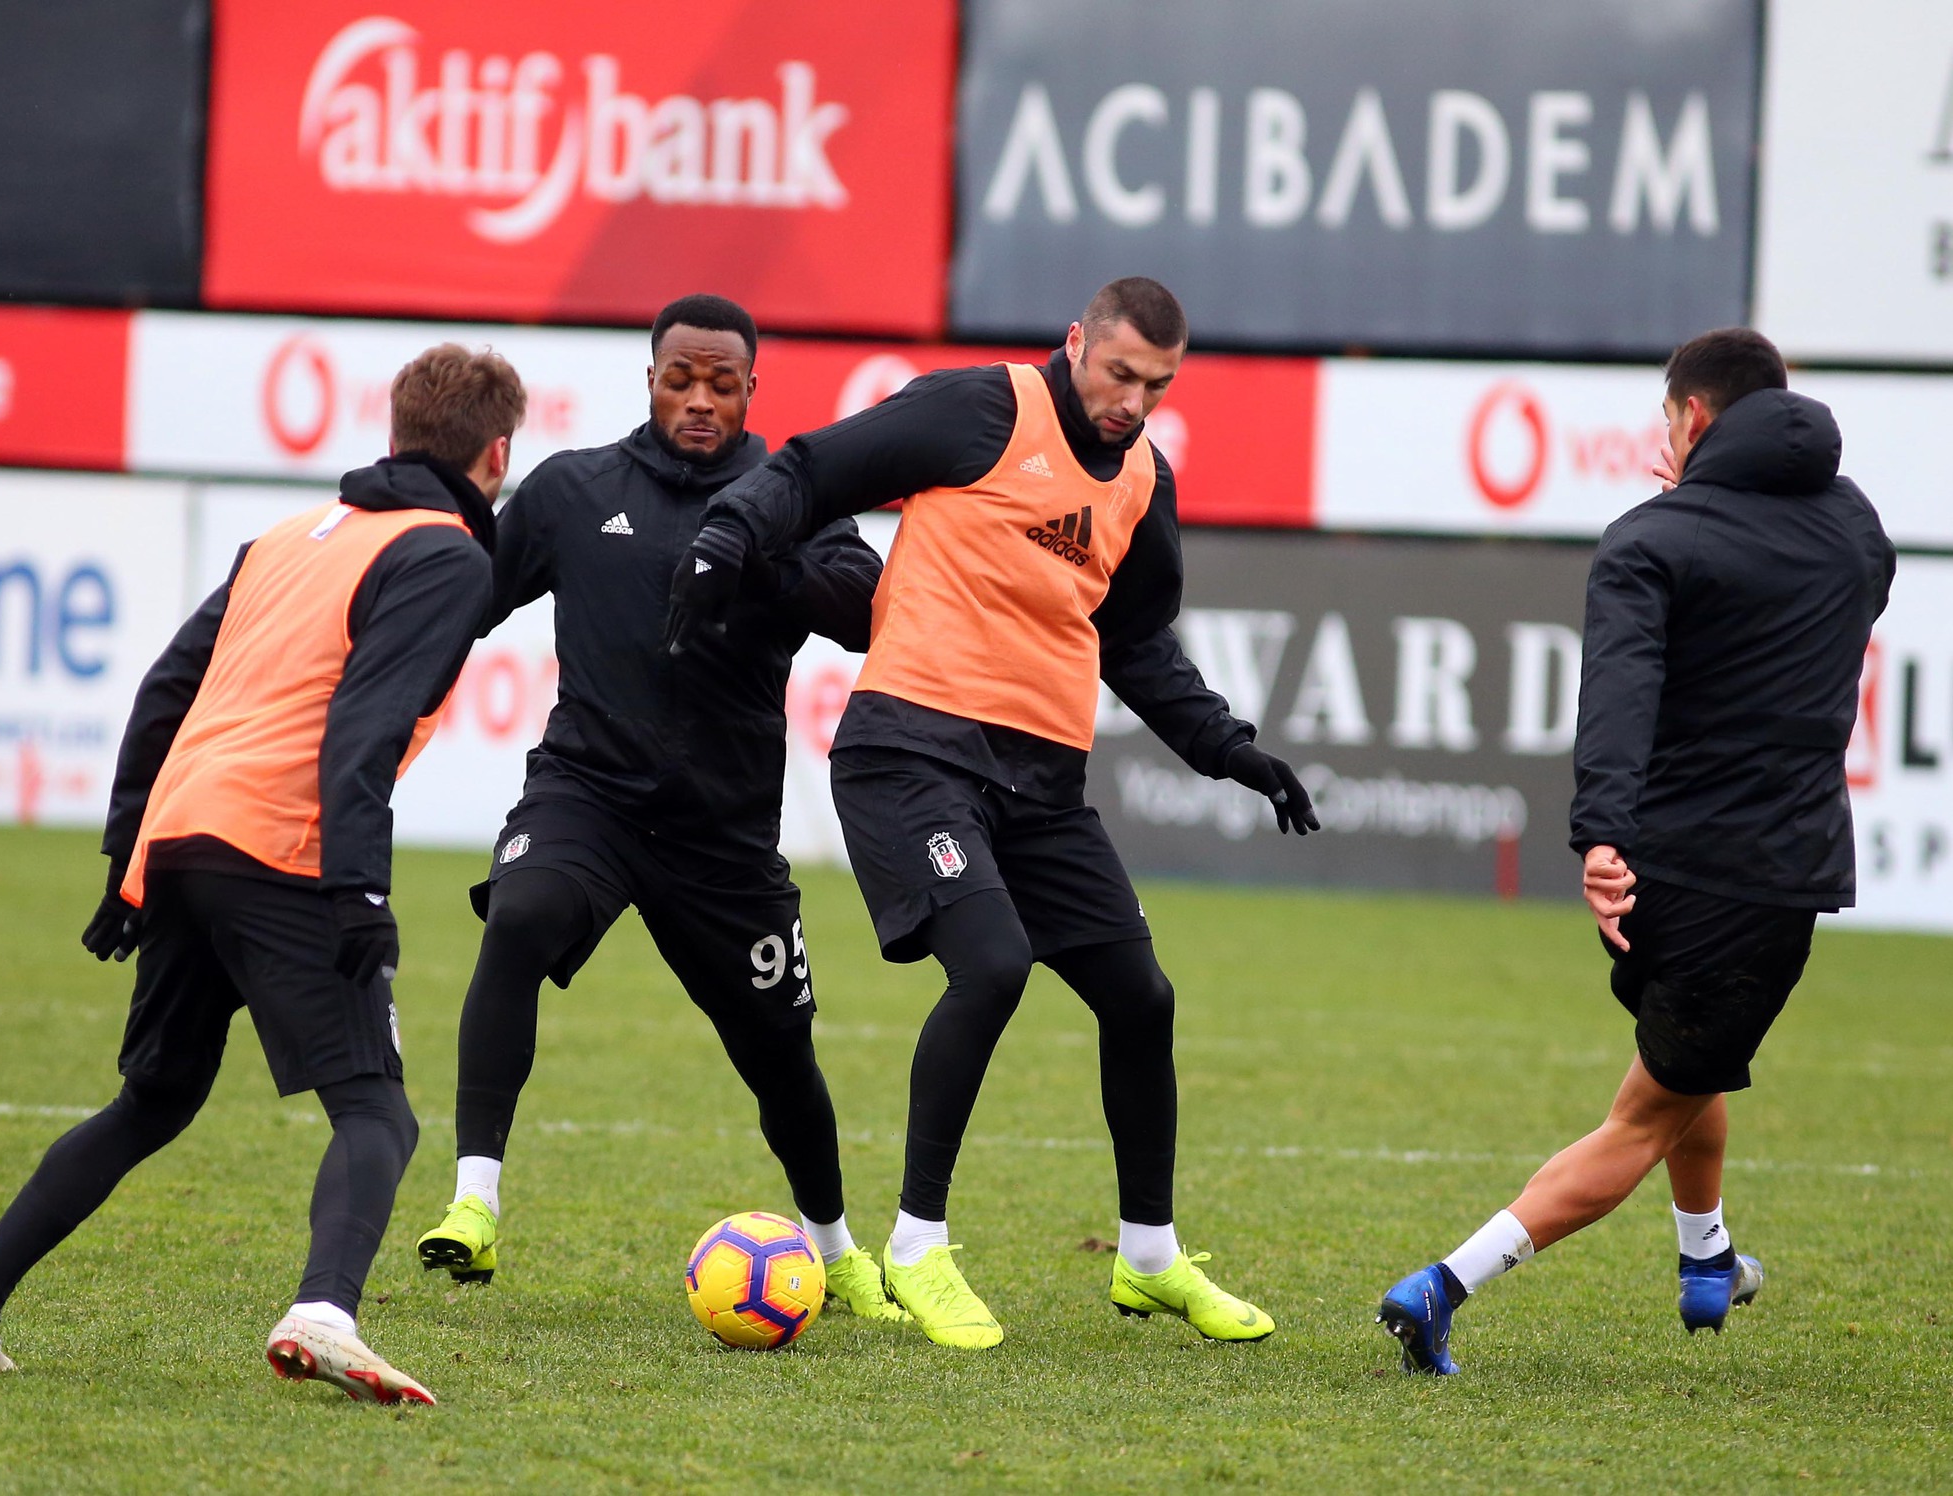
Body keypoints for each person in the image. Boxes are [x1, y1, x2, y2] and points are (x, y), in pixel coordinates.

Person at [666, 276, 1319, 1350]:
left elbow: (1134, 641)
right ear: (1076, 344)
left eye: (1156, 385)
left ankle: (1149, 1257)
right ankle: (917, 1244)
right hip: (910, 751)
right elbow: (815, 469)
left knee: (1140, 996)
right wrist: (727, 535)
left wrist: (1228, 748)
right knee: (994, 963)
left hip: (1040, 784)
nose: (1132, 401)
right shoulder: (979, 409)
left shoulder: (1142, 478)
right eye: (1119, 373)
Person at [0, 345, 526, 1404]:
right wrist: (359, 892)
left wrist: (128, 858)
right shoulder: (445, 554)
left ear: (395, 434)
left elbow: (164, 691)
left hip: (186, 837)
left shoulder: (283, 538)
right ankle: (325, 1313)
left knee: (152, 1099)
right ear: (497, 454)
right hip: (279, 850)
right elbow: (364, 727)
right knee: (377, 1112)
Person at [1377, 328, 1897, 1375]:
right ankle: (1438, 1288)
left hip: (1654, 872)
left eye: (1667, 419)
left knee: (1689, 1065)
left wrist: (1603, 836)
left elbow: (1618, 696)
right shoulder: (1855, 529)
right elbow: (1833, 595)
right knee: (1643, 1115)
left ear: (1692, 418)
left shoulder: (1650, 538)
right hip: (1760, 879)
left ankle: (1706, 1258)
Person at [411, 296, 903, 1323]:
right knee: (520, 915)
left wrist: (757, 557)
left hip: (722, 836)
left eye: (721, 382)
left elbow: (866, 607)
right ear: (650, 380)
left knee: (780, 1056)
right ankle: (474, 1200)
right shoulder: (573, 489)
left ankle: (833, 1246)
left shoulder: (794, 496)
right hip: (586, 795)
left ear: (752, 389)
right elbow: (465, 598)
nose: (699, 399)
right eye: (681, 378)